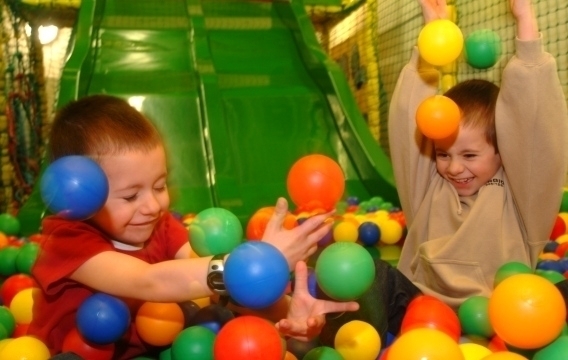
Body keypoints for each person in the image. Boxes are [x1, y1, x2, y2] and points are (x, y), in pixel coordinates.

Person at [28, 94, 359, 358]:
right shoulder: (66, 239)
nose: (153, 205)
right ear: (81, 194)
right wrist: (256, 262)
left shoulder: (161, 226)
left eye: (159, 186)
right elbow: (147, 282)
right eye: (130, 196)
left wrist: (286, 310)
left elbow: (211, 282)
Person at [318, 0, 568, 347]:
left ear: (503, 151)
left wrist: (526, 23)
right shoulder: (429, 188)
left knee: (555, 296)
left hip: (504, 318)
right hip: (420, 312)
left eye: (469, 154)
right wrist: (430, 41)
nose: (453, 167)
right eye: (442, 154)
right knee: (364, 271)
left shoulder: (521, 200)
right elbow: (410, 119)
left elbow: (534, 125)